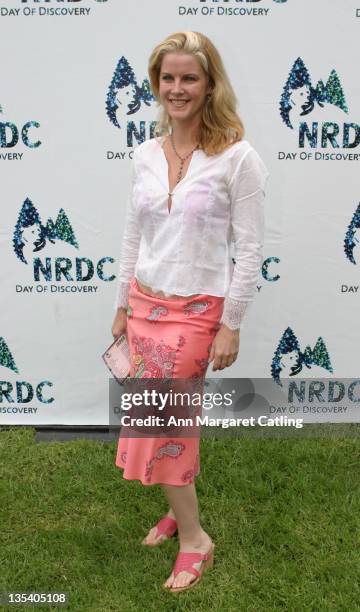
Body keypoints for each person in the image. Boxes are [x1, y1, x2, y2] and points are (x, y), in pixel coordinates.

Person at [111, 31, 269, 593]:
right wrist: (121, 306)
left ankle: (195, 538)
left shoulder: (237, 157)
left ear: (209, 85)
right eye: (168, 78)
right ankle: (180, 511)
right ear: (156, 83)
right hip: (145, 306)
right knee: (161, 423)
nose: (177, 88)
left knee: (165, 427)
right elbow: (135, 234)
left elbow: (249, 250)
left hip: (198, 313)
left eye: (189, 78)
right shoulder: (145, 153)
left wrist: (233, 323)